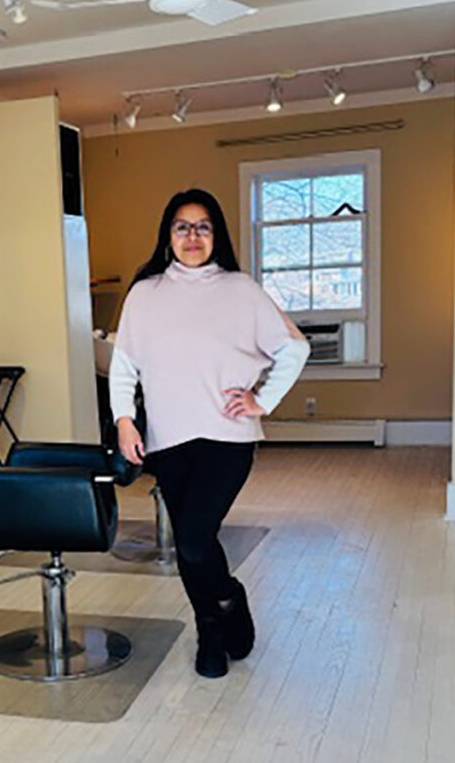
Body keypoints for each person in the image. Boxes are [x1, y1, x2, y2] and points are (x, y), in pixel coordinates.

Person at [110, 188, 309, 678]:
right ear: (168, 235)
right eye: (183, 226)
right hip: (168, 441)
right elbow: (124, 365)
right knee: (190, 542)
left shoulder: (240, 289)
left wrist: (263, 400)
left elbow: (294, 349)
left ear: (216, 234)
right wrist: (124, 419)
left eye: (203, 226)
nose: (193, 236)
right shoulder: (145, 294)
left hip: (228, 438)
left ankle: (226, 601)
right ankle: (212, 628)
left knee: (196, 538)